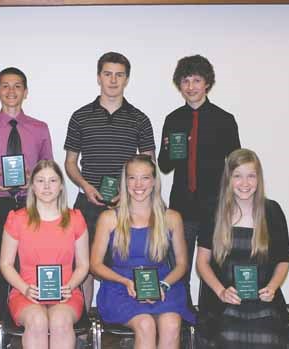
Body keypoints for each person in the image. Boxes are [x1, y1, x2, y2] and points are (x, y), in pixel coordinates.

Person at [64, 52, 156, 310]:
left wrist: (128, 193)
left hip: (129, 206)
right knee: (85, 266)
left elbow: (150, 165)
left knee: (125, 264)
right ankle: (83, 320)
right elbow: (70, 163)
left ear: (126, 79)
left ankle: (125, 317)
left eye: (119, 74)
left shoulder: (140, 119)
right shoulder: (80, 116)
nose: (113, 80)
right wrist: (86, 186)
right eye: (108, 74)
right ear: (98, 77)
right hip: (89, 202)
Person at [0, 67, 53, 316]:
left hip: (31, 205)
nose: (11, 91)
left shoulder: (40, 128)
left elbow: (48, 165)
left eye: (17, 86)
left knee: (30, 261)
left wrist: (34, 179)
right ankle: (1, 323)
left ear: (25, 92)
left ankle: (29, 318)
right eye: (5, 86)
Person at [157, 54, 240, 308]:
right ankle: (183, 323)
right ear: (179, 85)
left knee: (213, 269)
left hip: (215, 208)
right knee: (178, 268)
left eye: (196, 80)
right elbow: (164, 165)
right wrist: (172, 149)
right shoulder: (173, 119)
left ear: (207, 84)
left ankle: (208, 323)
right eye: (185, 81)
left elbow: (236, 166)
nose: (191, 86)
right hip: (181, 207)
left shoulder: (224, 119)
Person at [91, 155, 195, 349]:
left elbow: (182, 264)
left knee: (172, 324)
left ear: (154, 181)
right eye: (132, 178)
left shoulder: (172, 218)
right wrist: (125, 282)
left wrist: (163, 286)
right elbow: (95, 265)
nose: (138, 184)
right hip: (120, 287)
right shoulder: (108, 218)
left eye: (145, 178)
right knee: (145, 324)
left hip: (163, 285)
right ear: (125, 182)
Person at [196, 148, 289, 348]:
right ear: (228, 179)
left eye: (251, 176)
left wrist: (273, 287)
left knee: (268, 337)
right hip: (224, 300)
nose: (245, 183)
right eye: (238, 176)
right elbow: (202, 262)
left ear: (259, 179)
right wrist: (221, 292)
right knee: (227, 336)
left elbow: (283, 260)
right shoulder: (213, 211)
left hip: (263, 299)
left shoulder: (272, 211)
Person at [0, 160, 89, 349]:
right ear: (32, 186)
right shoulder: (16, 219)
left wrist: (70, 286)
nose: (47, 186)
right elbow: (5, 264)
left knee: (60, 322)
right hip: (25, 292)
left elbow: (83, 265)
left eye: (53, 180)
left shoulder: (76, 219)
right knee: (37, 321)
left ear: (61, 186)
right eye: (40, 181)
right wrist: (25, 289)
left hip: (67, 292)